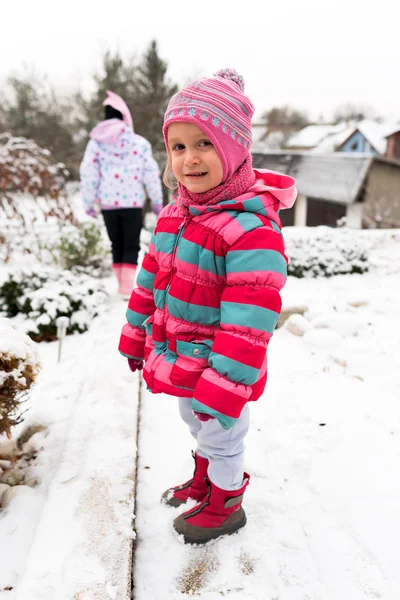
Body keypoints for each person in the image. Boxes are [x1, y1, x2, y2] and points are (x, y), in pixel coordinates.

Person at [118, 69, 297, 544]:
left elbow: (249, 323)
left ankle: (226, 502)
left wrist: (223, 385)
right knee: (192, 420)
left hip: (222, 366)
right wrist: (136, 335)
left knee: (222, 433)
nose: (189, 159)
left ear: (234, 149)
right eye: (178, 147)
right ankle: (205, 478)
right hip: (180, 353)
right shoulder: (176, 214)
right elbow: (149, 279)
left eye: (204, 144)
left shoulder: (250, 229)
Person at [80, 90, 163, 297]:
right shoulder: (139, 143)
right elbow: (150, 173)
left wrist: (88, 203)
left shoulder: (96, 143)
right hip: (133, 203)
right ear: (125, 115)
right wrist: (156, 201)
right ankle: (126, 287)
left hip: (108, 203)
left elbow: (88, 173)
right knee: (131, 243)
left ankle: (121, 284)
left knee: (116, 243)